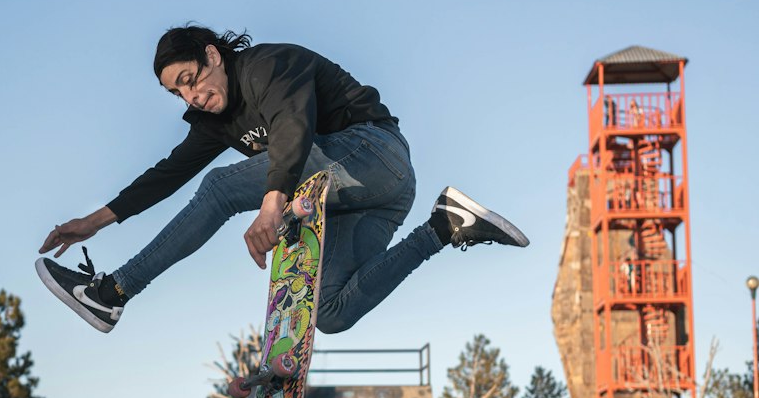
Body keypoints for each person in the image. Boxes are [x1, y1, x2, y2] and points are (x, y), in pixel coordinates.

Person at [35, 24, 529, 335]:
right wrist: (96, 221)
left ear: (212, 56)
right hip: (378, 202)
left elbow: (293, 125)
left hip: (375, 154)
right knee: (328, 314)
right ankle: (444, 226)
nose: (191, 97)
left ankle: (112, 294)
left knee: (221, 188)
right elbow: (167, 173)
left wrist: (273, 204)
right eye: (177, 94)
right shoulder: (212, 121)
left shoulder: (268, 66)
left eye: (190, 79)